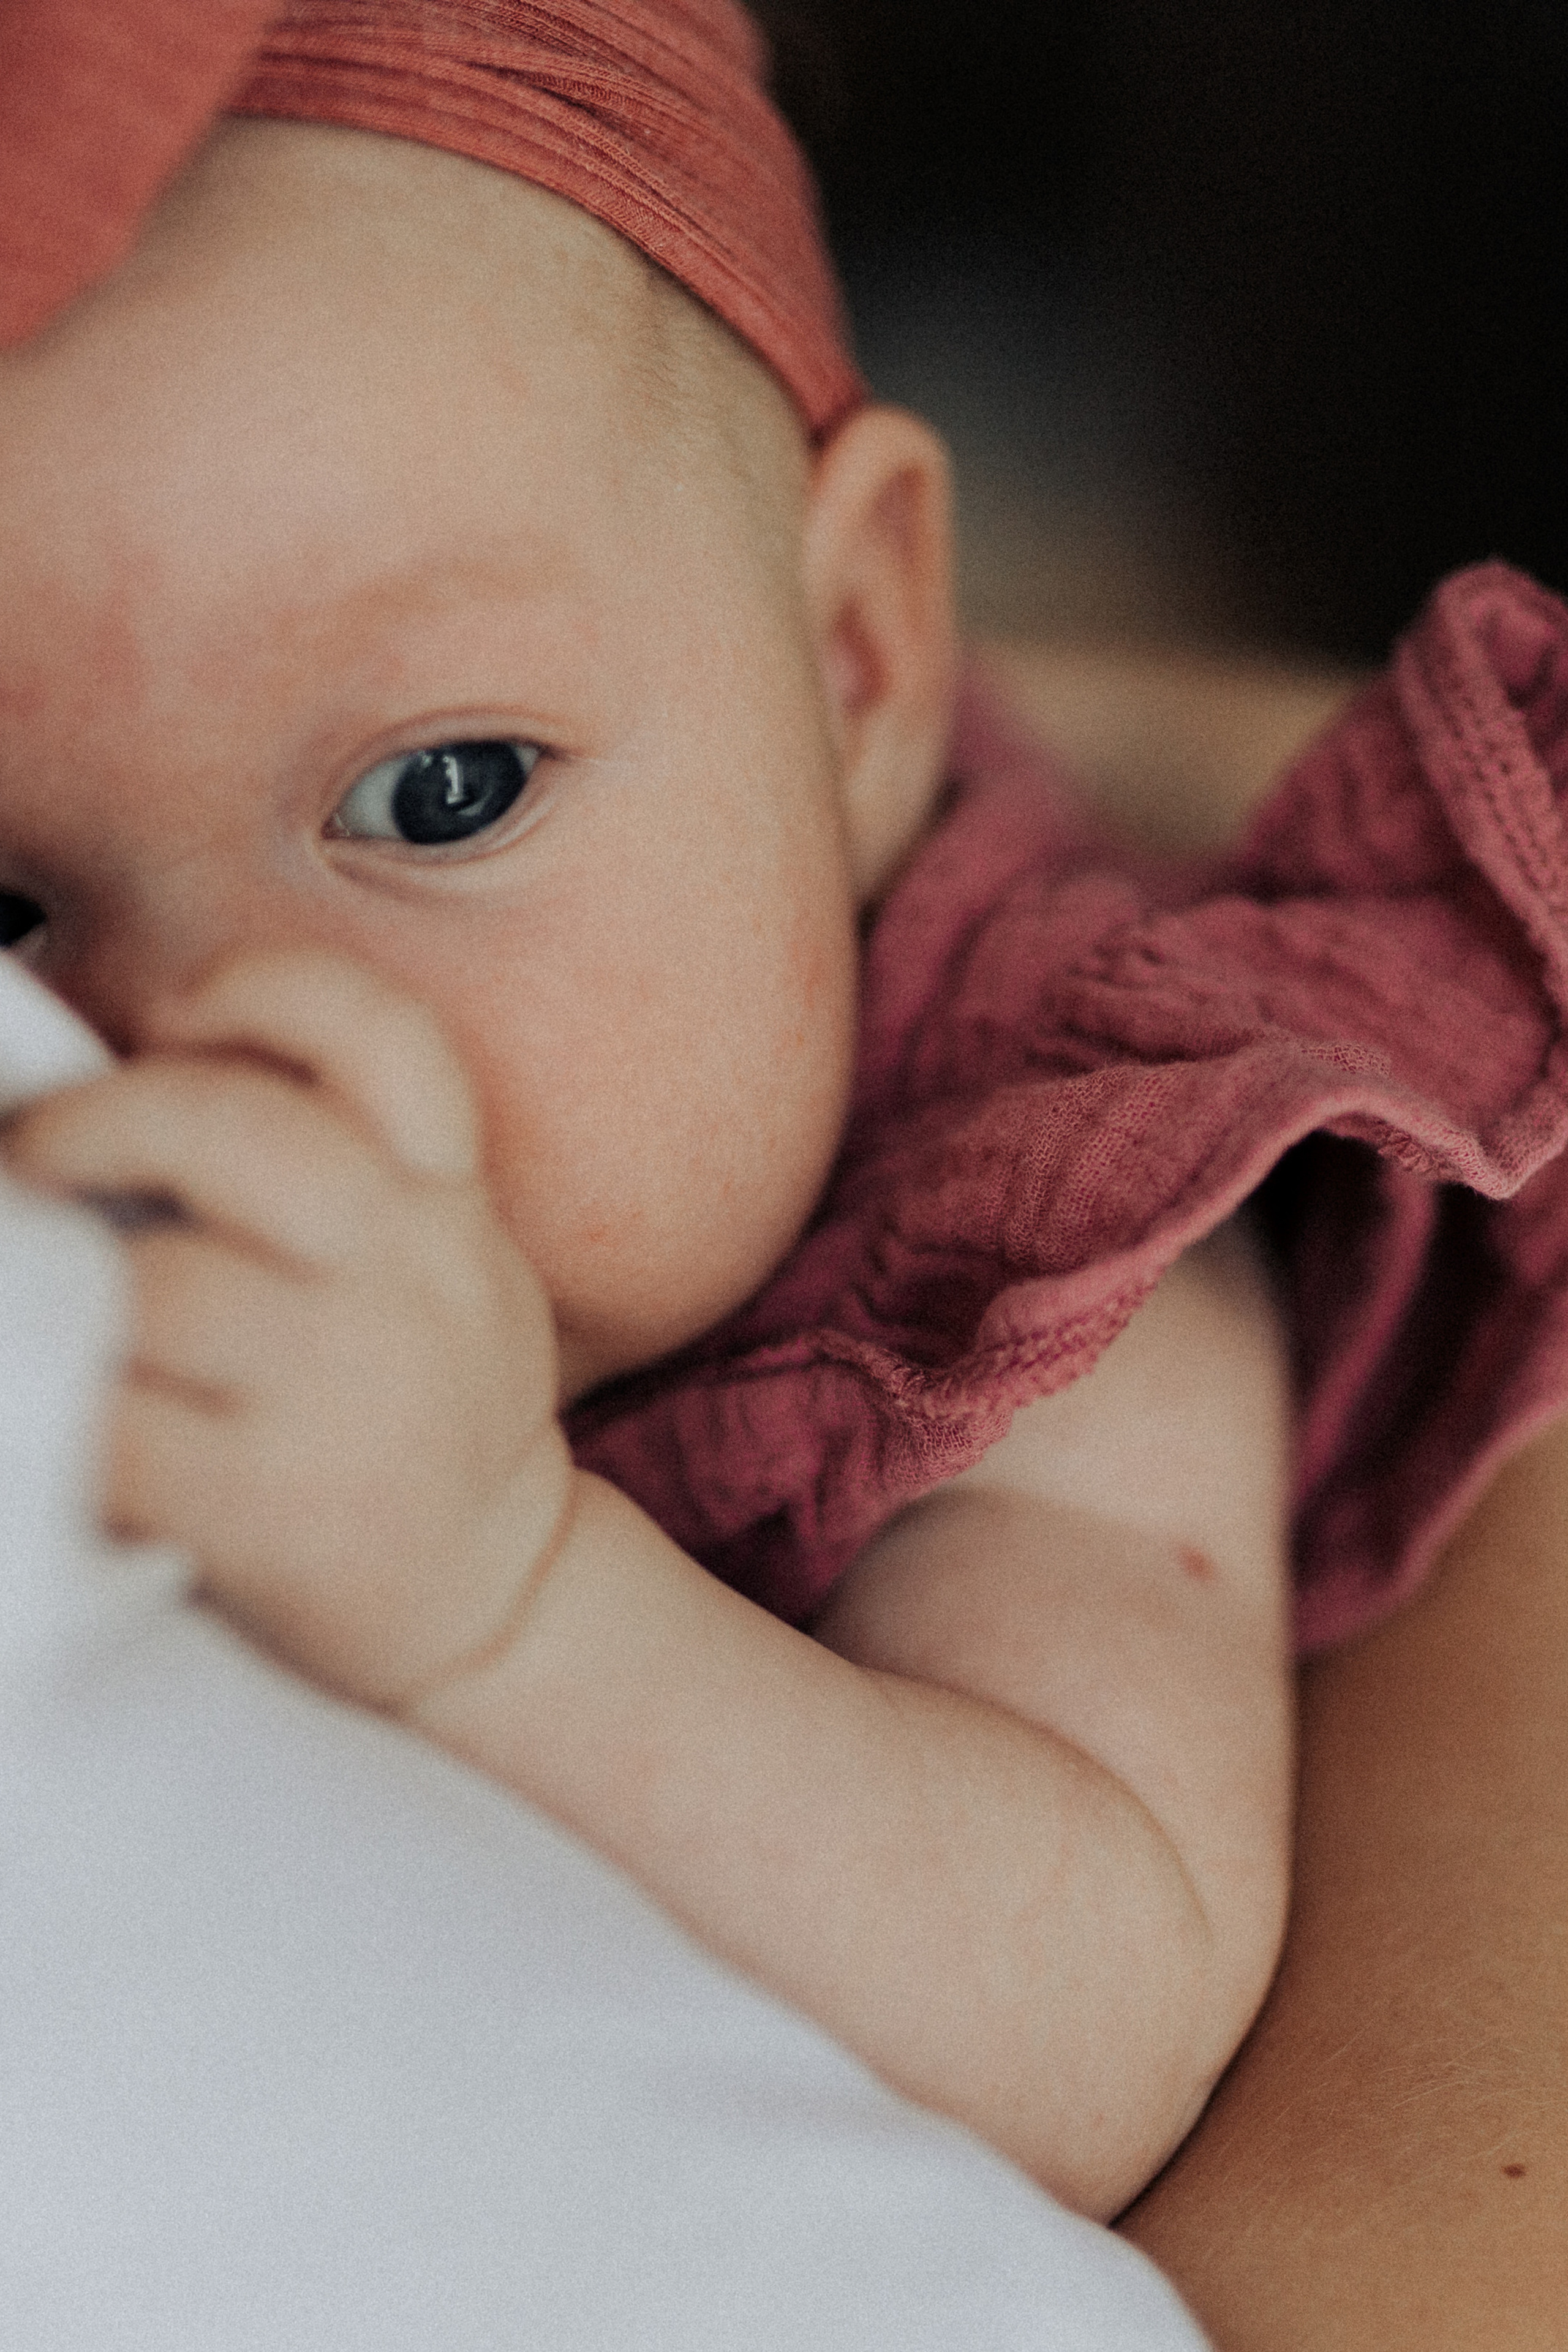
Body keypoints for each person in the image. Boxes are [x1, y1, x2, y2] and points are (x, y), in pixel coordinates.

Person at [0, 0, 1564, 2260]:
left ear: (849, 665)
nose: (225, 1056)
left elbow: (1094, 2006)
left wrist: (501, 1597)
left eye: (445, 794)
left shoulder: (1035, 1205)